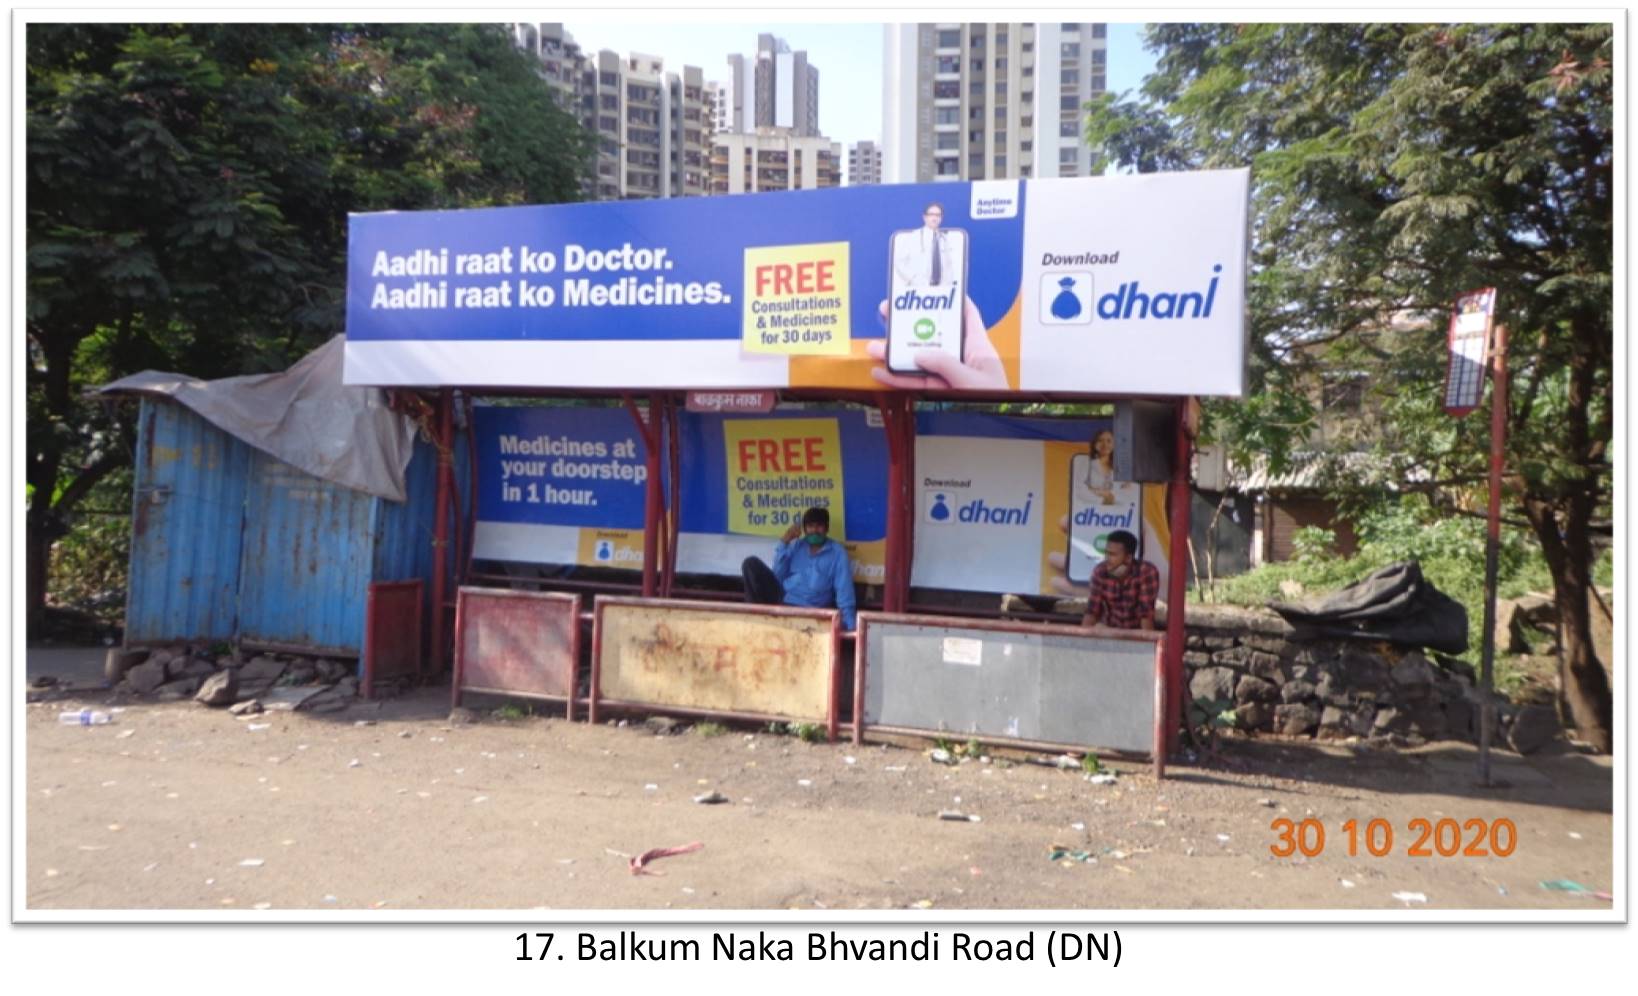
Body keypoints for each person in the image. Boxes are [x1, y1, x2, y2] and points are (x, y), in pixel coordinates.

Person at [741, 506, 857, 630]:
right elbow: (778, 576)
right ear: (805, 530)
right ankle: (753, 621)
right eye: (810, 526)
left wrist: (849, 626)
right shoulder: (796, 545)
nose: (814, 530)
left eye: (819, 526)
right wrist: (784, 542)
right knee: (750, 564)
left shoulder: (837, 553)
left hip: (812, 610)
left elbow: (844, 592)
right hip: (783, 601)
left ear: (826, 528)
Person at [1082, 529, 1160, 631]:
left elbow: (1146, 614)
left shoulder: (1146, 572)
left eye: (1112, 554)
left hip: (1136, 633)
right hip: (1110, 632)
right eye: (1106, 553)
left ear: (1128, 558)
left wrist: (1146, 643)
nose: (1107, 558)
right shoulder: (1100, 572)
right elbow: (1092, 611)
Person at [892, 202, 962, 289]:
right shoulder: (914, 237)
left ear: (941, 218)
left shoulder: (944, 239)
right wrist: (913, 279)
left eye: (938, 215)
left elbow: (948, 267)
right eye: (931, 214)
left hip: (942, 291)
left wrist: (948, 286)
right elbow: (899, 262)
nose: (934, 218)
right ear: (924, 217)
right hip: (918, 288)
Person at [1085, 429, 1117, 505]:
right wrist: (1100, 494)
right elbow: (1080, 488)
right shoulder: (1087, 464)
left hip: (1116, 509)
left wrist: (1110, 495)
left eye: (1109, 441)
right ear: (1095, 444)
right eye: (1100, 440)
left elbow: (1125, 490)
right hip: (1090, 506)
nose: (1105, 444)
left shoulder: (1119, 467)